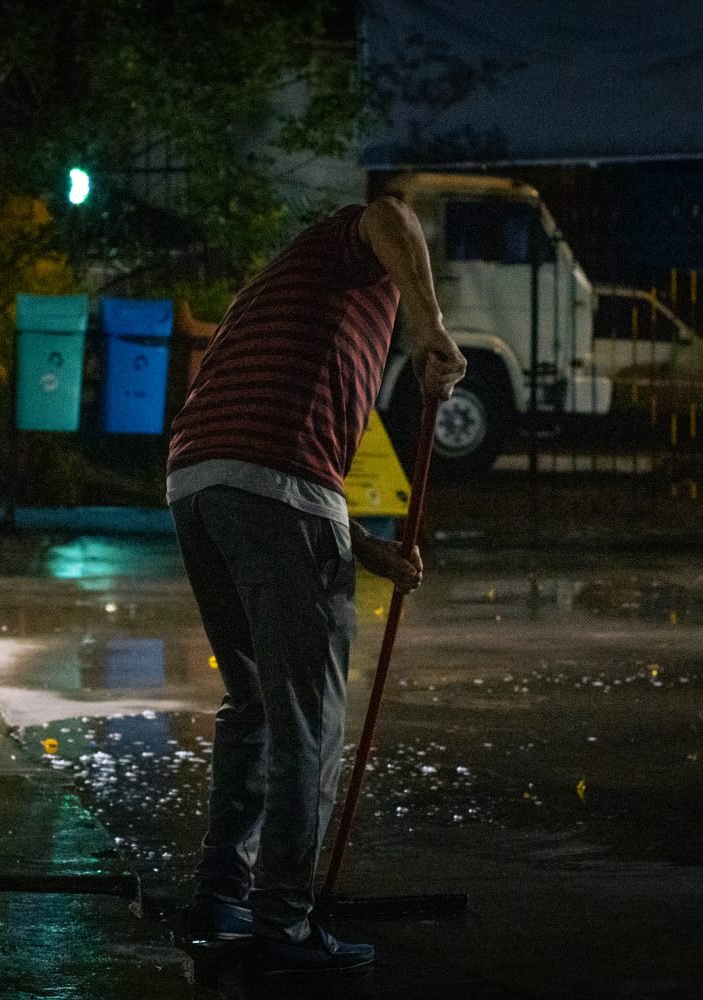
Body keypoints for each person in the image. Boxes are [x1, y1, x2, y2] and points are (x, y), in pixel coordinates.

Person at [166, 195, 466, 975]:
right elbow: (392, 215)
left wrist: (365, 549)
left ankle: (223, 896)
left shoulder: (276, 293)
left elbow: (273, 459)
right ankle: (283, 926)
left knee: (256, 704)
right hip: (269, 489)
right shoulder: (353, 249)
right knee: (306, 719)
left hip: (199, 486)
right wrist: (430, 325)